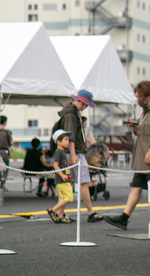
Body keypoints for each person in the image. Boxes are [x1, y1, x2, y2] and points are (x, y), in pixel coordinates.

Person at [104, 81, 150, 230]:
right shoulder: (147, 111)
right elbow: (145, 132)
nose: (137, 100)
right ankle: (124, 218)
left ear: (147, 95)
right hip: (143, 159)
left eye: (139, 96)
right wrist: (135, 126)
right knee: (135, 187)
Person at [57, 89, 103, 222]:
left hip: (71, 153)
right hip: (75, 153)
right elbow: (70, 137)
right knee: (84, 182)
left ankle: (59, 213)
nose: (85, 106)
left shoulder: (70, 112)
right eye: (83, 103)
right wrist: (73, 155)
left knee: (67, 183)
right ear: (76, 100)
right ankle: (90, 212)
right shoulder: (71, 115)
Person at [47, 129, 75, 224]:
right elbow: (55, 165)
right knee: (69, 197)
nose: (68, 142)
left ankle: (60, 215)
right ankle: (52, 210)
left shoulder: (62, 152)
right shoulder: (58, 152)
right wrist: (62, 175)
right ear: (58, 141)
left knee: (63, 198)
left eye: (68, 140)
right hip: (62, 179)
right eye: (66, 139)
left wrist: (67, 173)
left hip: (64, 178)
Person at [0, 115, 13, 189]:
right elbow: (11, 143)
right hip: (5, 152)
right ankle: (2, 185)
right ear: (5, 122)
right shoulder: (7, 132)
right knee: (5, 169)